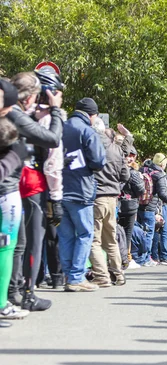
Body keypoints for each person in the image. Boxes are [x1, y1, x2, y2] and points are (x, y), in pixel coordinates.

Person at [6, 71, 64, 310]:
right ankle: (26, 292)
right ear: (28, 97)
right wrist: (56, 110)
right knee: (30, 243)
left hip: (14, 182)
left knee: (16, 243)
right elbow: (52, 140)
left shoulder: (13, 112)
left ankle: (14, 291)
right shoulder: (17, 115)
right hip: (26, 182)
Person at [59, 98, 107, 292]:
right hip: (81, 190)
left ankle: (67, 274)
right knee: (85, 233)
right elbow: (98, 161)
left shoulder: (60, 127)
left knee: (66, 236)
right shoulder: (88, 131)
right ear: (92, 115)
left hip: (59, 189)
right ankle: (77, 277)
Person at [0, 80, 30, 323]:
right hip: (6, 195)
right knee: (6, 248)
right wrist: (15, 157)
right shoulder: (8, 127)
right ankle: (1, 303)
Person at [89, 125, 130, 287]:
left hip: (97, 196)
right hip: (112, 198)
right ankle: (119, 274)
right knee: (111, 238)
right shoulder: (117, 150)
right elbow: (125, 174)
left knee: (94, 239)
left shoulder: (93, 148)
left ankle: (101, 275)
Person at [118, 144, 145, 269]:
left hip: (118, 204)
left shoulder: (116, 168)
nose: (130, 159)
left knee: (116, 232)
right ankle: (126, 258)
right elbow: (141, 190)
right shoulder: (134, 173)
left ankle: (118, 258)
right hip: (130, 206)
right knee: (127, 233)